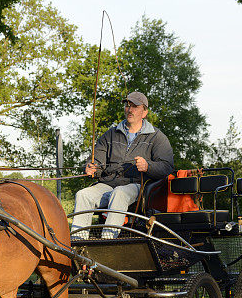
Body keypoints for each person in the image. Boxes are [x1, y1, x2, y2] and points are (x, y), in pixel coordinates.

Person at [71, 91, 175, 239]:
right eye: (128, 105)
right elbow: (97, 160)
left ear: (144, 112)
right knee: (83, 195)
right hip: (108, 184)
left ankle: (108, 241)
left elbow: (167, 167)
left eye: (135, 106)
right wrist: (92, 167)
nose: (130, 109)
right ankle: (78, 243)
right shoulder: (110, 135)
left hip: (137, 186)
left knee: (119, 193)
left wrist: (148, 166)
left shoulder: (157, 137)